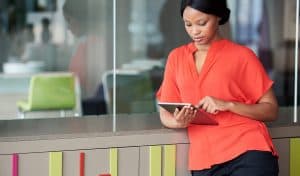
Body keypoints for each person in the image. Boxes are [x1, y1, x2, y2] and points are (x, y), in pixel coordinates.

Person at [156, 0, 279, 175]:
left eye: (202, 23)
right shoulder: (176, 58)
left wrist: (228, 105)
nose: (194, 31)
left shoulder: (242, 56)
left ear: (218, 16)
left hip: (249, 151)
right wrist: (178, 122)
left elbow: (272, 110)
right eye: (188, 24)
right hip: (204, 160)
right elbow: (165, 112)